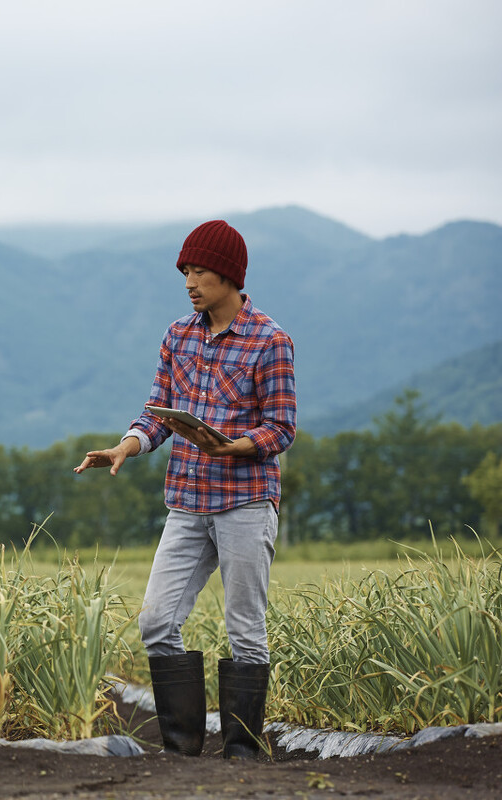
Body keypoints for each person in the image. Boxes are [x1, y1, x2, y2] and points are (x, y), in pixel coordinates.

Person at [74, 220, 295, 760]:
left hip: (246, 501)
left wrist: (236, 447)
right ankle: (182, 750)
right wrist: (126, 445)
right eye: (186, 272)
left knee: (245, 628)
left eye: (198, 271)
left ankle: (242, 753)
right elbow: (158, 413)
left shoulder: (271, 341)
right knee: (155, 621)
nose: (190, 281)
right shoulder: (178, 335)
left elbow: (281, 429)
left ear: (229, 275)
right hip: (188, 502)